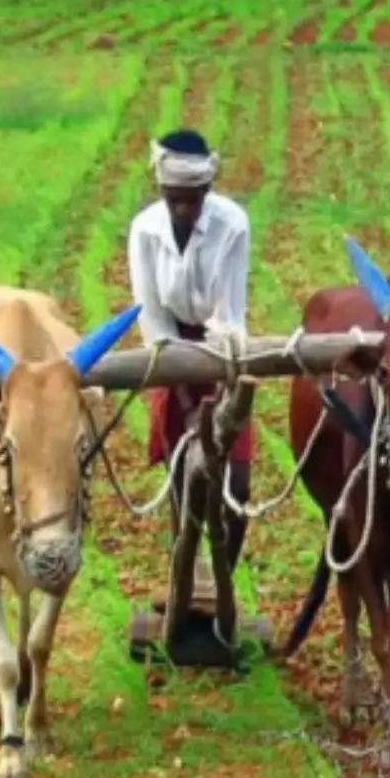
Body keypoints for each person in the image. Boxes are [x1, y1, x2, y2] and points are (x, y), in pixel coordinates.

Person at [126, 129, 255, 566]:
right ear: (161, 190)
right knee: (183, 480)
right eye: (173, 198)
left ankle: (223, 583)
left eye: (192, 199)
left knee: (236, 487)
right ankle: (183, 574)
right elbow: (152, 317)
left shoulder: (232, 223)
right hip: (170, 350)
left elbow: (229, 314)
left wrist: (223, 395)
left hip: (223, 352)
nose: (182, 209)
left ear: (207, 189)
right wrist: (177, 384)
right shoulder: (144, 230)